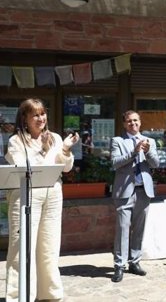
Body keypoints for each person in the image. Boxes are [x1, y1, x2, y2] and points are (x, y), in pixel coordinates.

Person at [3, 98, 78, 302]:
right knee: (21, 247)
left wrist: (66, 148)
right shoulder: (16, 141)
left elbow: (66, 167)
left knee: (49, 245)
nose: (40, 118)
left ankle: (48, 294)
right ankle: (18, 295)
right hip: (26, 196)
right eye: (35, 114)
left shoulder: (54, 137)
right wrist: (43, 149)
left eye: (43, 113)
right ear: (25, 118)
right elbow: (25, 168)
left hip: (53, 194)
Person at [110, 110, 161, 283]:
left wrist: (147, 152)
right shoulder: (117, 141)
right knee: (123, 229)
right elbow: (115, 163)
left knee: (139, 228)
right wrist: (133, 151)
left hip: (143, 190)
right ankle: (119, 265)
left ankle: (135, 262)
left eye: (136, 121)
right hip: (124, 191)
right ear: (124, 124)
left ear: (140, 122)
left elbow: (156, 164)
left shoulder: (150, 141)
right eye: (129, 121)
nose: (133, 124)